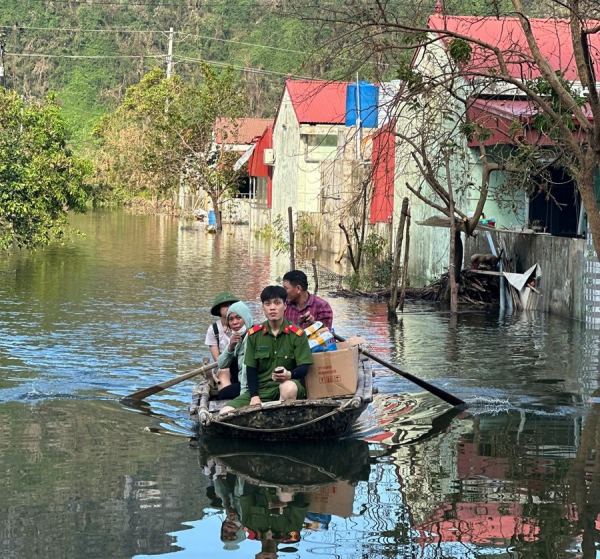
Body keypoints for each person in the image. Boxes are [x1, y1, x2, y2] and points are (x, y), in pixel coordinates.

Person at [220, 285, 313, 413]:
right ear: (263, 307)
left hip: (286, 385)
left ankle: (283, 420)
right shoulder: (254, 335)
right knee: (225, 412)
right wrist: (254, 396)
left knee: (289, 387)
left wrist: (289, 374)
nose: (272, 307)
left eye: (277, 303)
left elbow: (304, 367)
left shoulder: (297, 334)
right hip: (261, 389)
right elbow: (251, 369)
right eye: (268, 304)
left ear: (285, 305)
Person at [216, 301, 254, 400]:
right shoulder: (237, 337)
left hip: (252, 385)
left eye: (238, 318)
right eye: (231, 319)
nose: (235, 322)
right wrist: (230, 347)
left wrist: (243, 396)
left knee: (222, 395)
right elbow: (221, 364)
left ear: (246, 318)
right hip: (241, 381)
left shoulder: (252, 336)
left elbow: (247, 368)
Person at [205, 291, 240, 360]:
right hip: (222, 365)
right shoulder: (213, 329)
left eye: (231, 305)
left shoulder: (241, 325)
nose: (229, 308)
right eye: (225, 305)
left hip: (240, 362)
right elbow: (217, 359)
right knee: (224, 371)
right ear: (218, 310)